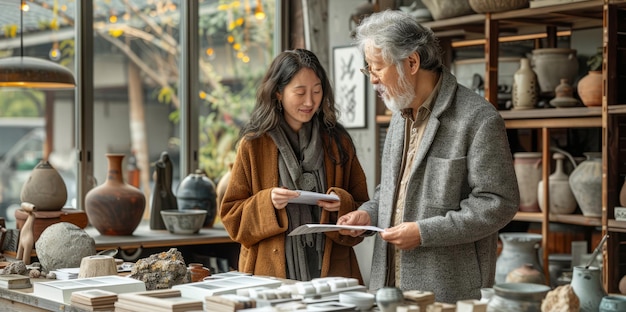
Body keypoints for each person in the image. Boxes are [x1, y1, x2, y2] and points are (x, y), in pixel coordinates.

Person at [337, 10, 520, 303]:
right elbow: (395, 192)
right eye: (368, 69)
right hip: (388, 286)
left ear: (411, 62)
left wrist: (424, 233)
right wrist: (369, 213)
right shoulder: (400, 115)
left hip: (448, 292)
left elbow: (498, 203)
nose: (372, 80)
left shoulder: (479, 118)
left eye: (377, 68)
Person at [220, 49, 370, 283]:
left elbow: (365, 208)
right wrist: (267, 202)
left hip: (332, 276)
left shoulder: (338, 142)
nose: (310, 101)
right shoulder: (254, 144)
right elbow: (232, 218)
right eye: (300, 92)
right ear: (278, 92)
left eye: (317, 91)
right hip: (268, 277)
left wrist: (342, 205)